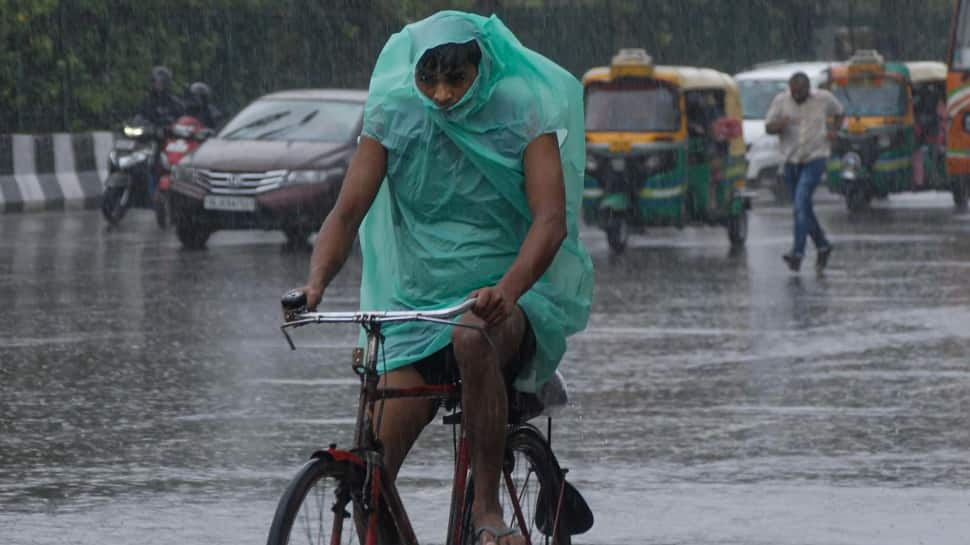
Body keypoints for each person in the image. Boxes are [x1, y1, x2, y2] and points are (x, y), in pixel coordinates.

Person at [299, 11, 593, 545]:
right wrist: (314, 284)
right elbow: (345, 215)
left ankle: (486, 510)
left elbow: (550, 223)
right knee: (372, 478)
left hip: (506, 302)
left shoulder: (524, 112)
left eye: (456, 79)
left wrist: (504, 291)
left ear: (482, 69)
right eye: (427, 79)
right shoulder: (392, 116)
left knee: (470, 334)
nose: (440, 94)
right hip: (416, 308)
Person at [765, 72, 844, 273]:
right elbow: (769, 126)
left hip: (815, 158)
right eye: (794, 92)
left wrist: (834, 129)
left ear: (808, 89)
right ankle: (823, 245)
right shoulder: (781, 101)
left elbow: (840, 112)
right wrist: (779, 125)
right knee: (803, 209)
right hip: (791, 160)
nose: (797, 96)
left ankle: (797, 252)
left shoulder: (823, 99)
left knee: (800, 202)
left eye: (801, 92)